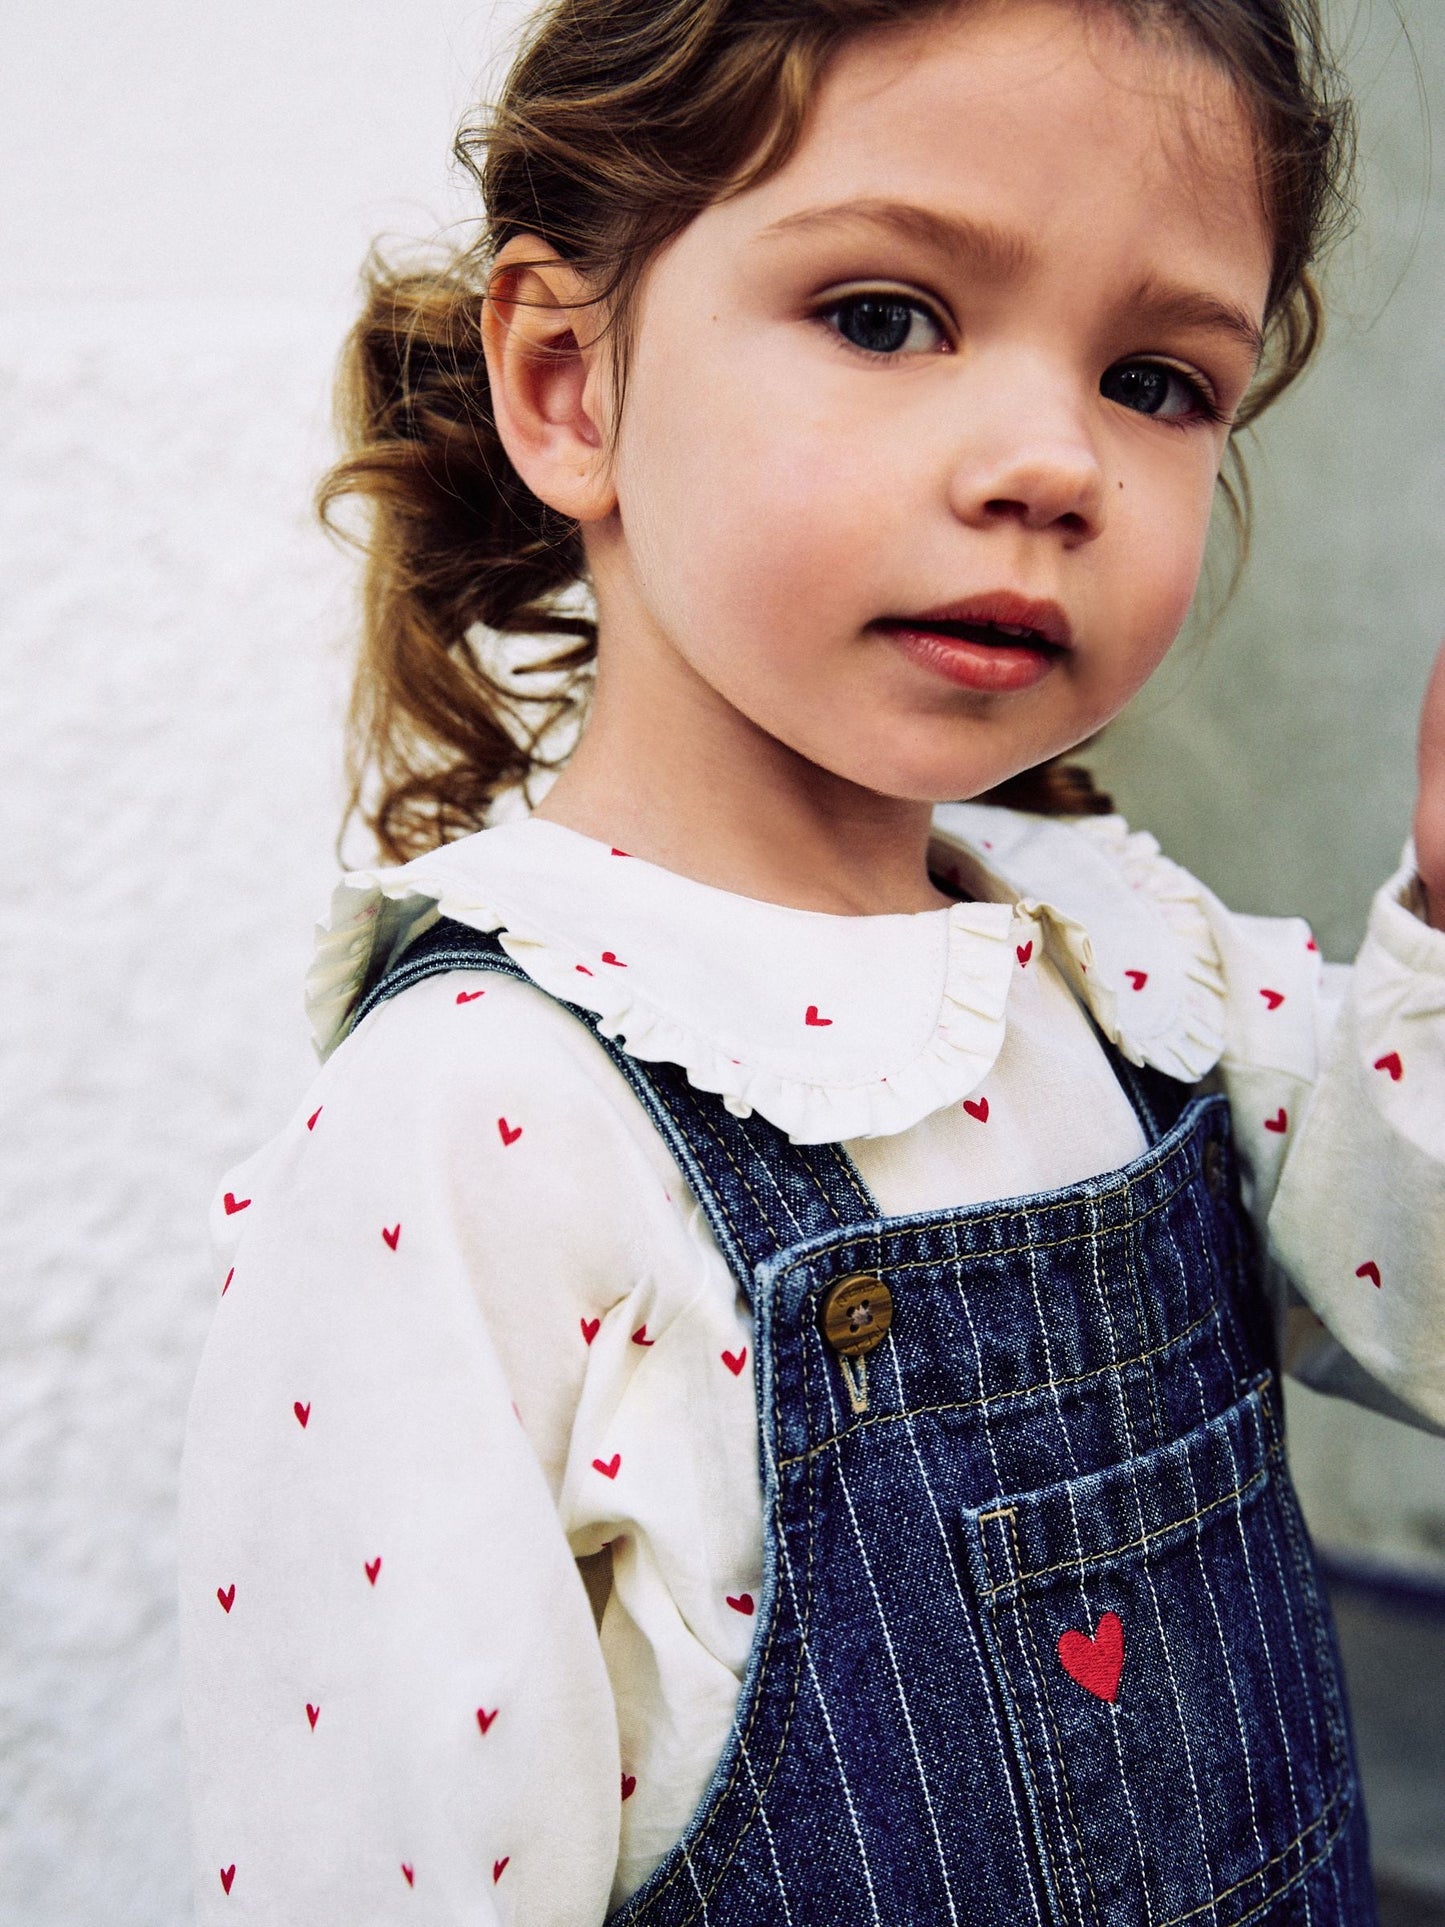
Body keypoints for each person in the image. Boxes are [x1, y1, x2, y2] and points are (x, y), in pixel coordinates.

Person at [178, 0, 1445, 1919]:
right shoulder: (479, 1123)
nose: (1052, 463)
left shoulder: (1121, 957)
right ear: (568, 385)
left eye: (1157, 380)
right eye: (883, 315)